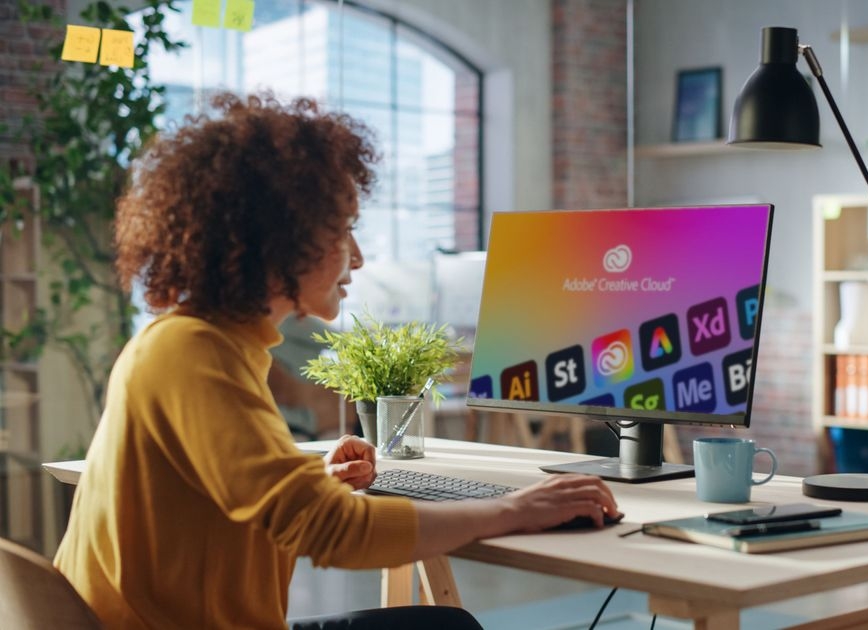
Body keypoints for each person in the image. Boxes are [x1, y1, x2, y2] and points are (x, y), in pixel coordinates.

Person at [53, 92, 621, 629]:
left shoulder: (208, 344)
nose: (359, 256)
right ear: (277, 242)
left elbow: (218, 499)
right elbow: (330, 532)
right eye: (344, 229)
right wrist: (515, 510)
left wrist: (308, 481)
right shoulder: (190, 352)